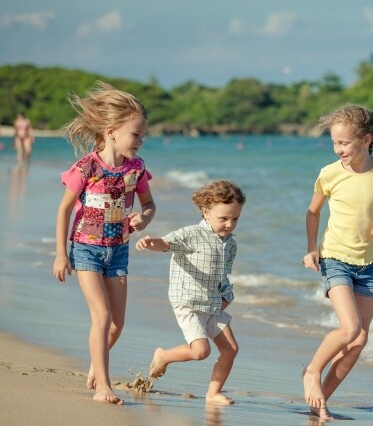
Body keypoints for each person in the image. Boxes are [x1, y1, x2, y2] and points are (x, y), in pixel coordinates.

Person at [52, 82, 156, 405]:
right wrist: (60, 254)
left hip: (119, 251)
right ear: (112, 132)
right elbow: (65, 209)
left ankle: (96, 365)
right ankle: (103, 387)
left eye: (142, 136)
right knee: (102, 317)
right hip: (86, 249)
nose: (140, 142)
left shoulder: (135, 169)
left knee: (117, 324)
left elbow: (149, 205)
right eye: (135, 135)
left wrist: (144, 218)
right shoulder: (88, 167)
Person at [302, 104, 373, 419]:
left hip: (368, 264)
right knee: (350, 327)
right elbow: (313, 212)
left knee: (359, 340)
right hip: (335, 259)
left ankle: (320, 402)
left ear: (366, 139)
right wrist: (311, 248)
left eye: (343, 143)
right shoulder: (329, 173)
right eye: (334, 143)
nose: (338, 149)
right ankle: (312, 371)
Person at [136, 180, 245, 405]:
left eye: (235, 219)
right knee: (200, 351)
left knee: (231, 349)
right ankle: (163, 356)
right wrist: (150, 242)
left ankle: (213, 393)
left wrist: (227, 296)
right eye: (223, 218)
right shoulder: (191, 234)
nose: (229, 224)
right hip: (189, 302)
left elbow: (223, 274)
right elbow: (165, 243)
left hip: (213, 304)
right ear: (206, 213)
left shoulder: (230, 244)